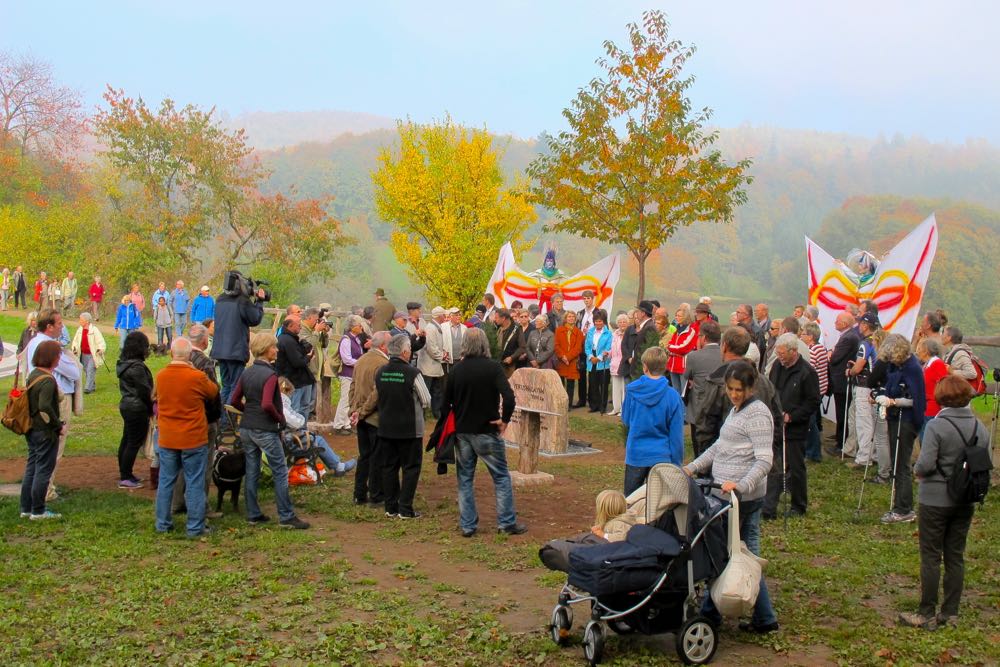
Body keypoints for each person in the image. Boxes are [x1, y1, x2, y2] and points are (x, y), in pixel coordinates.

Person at [684, 360, 779, 634]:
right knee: (741, 555)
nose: (734, 394)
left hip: (742, 501)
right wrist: (693, 466)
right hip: (726, 498)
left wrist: (740, 485)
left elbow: (764, 461)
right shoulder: (737, 411)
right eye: (730, 389)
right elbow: (719, 447)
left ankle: (711, 614)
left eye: (739, 389)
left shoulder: (758, 414)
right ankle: (764, 617)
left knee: (729, 554)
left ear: (750, 388)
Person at [899, 375, 992, 630]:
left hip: (935, 498)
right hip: (965, 498)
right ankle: (950, 612)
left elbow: (926, 464)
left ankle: (926, 611)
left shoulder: (938, 427)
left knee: (931, 556)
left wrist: (917, 470)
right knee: (955, 556)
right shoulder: (979, 428)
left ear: (942, 398)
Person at [444, 327, 527, 537]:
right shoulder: (493, 368)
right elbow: (508, 397)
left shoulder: (456, 370)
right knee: (500, 477)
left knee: (464, 479)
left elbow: (445, 402)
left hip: (463, 431)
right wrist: (504, 420)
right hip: (487, 430)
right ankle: (506, 523)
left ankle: (468, 526)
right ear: (485, 344)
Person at [229, 332, 310, 529]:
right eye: (274, 347)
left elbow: (233, 400)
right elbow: (267, 404)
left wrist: (248, 411)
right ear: (266, 350)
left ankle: (253, 513)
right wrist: (280, 419)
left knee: (252, 470)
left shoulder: (247, 372)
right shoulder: (271, 375)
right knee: (280, 471)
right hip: (265, 429)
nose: (277, 350)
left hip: (247, 428)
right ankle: (286, 516)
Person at [154, 338, 220, 537]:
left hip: (168, 437)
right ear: (190, 355)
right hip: (193, 437)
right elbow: (213, 392)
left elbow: (155, 396)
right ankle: (195, 527)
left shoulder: (161, 375)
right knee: (194, 482)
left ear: (171, 354)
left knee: (166, 481)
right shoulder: (196, 376)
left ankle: (163, 524)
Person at [25, 309, 81, 500]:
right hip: (56, 397)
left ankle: (37, 489)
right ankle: (46, 491)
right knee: (54, 447)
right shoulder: (49, 346)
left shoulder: (33, 342)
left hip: (38, 396)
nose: (62, 326)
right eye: (58, 323)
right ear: (49, 327)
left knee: (38, 451)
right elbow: (74, 373)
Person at [375, 334, 431, 520]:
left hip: (385, 427)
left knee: (389, 467)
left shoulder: (381, 371)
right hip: (409, 429)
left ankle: (390, 507)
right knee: (411, 468)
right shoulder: (412, 373)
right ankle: (405, 508)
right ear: (405, 351)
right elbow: (426, 400)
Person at [765, 333, 820, 518]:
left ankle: (798, 505)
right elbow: (771, 390)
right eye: (777, 353)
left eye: (782, 354)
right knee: (774, 465)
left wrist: (793, 416)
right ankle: (769, 505)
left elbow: (813, 402)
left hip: (795, 428)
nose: (780, 357)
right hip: (776, 424)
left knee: (795, 467)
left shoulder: (807, 372)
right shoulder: (776, 367)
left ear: (793, 351)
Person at [171, 324, 223, 518]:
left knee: (180, 464)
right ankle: (202, 507)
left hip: (177, 419)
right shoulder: (205, 362)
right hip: (202, 421)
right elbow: (213, 393)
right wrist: (215, 418)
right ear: (204, 341)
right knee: (203, 464)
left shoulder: (176, 359)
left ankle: (176, 503)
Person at [874, 333, 925, 524]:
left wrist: (893, 401)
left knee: (901, 464)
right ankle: (901, 505)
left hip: (907, 420)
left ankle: (904, 508)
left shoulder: (912, 368)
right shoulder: (898, 365)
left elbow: (914, 399)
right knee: (898, 462)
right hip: (896, 417)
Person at [621, 346, 685, 495]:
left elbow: (626, 420)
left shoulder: (632, 391)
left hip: (636, 454)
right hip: (661, 456)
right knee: (658, 505)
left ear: (644, 367)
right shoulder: (673, 396)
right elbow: (676, 435)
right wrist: (676, 463)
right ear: (665, 366)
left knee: (631, 502)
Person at [19, 340, 66, 520]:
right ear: (51, 358)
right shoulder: (47, 380)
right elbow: (45, 406)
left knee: (31, 468)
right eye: (58, 355)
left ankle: (26, 508)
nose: (59, 358)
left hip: (31, 429)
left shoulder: (33, 375)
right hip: (45, 432)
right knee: (43, 470)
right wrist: (57, 425)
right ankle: (38, 510)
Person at [278, 378, 356, 476]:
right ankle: (338, 467)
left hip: (283, 439)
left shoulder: (274, 402)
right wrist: (300, 418)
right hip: (288, 442)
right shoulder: (282, 405)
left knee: (310, 436)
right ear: (286, 391)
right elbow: (297, 422)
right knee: (318, 440)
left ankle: (337, 465)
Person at [349, 331, 392, 506]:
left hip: (360, 416)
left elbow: (353, 386)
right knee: (377, 456)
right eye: (390, 344)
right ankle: (376, 494)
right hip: (373, 417)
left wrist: (354, 410)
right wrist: (363, 411)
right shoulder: (383, 364)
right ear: (383, 346)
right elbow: (377, 393)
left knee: (364, 456)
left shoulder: (361, 360)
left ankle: (359, 493)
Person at [211, 280, 265, 405]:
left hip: (220, 350)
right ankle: (229, 421)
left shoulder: (220, 299)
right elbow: (255, 318)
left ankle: (223, 420)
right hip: (236, 351)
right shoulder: (242, 301)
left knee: (226, 387)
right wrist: (259, 302)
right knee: (235, 387)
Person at [115, 331, 153, 489]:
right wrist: (152, 407)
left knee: (127, 440)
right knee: (133, 442)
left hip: (127, 405)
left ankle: (126, 473)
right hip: (137, 407)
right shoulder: (136, 367)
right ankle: (125, 477)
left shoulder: (124, 363)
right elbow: (144, 390)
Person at [682, 319, 723, 457]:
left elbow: (687, 375)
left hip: (699, 405)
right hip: (720, 406)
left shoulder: (694, 356)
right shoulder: (724, 355)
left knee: (698, 443)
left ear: (703, 338)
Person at [846, 313, 879, 469]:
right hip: (874, 386)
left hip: (864, 386)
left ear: (865, 326)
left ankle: (863, 458)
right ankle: (873, 454)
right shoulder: (878, 341)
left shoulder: (865, 344)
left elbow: (859, 367)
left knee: (863, 422)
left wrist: (850, 371)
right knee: (873, 422)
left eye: (860, 323)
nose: (859, 326)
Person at [826, 310, 861, 457]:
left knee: (843, 412)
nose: (834, 323)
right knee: (842, 412)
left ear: (845, 323)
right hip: (841, 379)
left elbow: (834, 358)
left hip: (841, 380)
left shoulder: (848, 338)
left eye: (837, 321)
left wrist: (830, 354)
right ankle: (840, 440)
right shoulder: (850, 335)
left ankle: (841, 443)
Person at [800, 322, 828, 462]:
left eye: (803, 334)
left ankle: (813, 453)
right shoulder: (821, 348)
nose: (801, 336)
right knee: (813, 421)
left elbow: (807, 370)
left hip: (814, 391)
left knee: (810, 423)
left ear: (810, 336)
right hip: (821, 389)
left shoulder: (812, 351)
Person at [333, 315, 365, 435]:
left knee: (351, 400)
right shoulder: (346, 339)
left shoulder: (356, 339)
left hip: (354, 374)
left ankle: (346, 424)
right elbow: (346, 359)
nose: (361, 327)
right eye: (359, 325)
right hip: (347, 374)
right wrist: (361, 363)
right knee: (345, 399)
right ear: (352, 327)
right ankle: (339, 425)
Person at [665, 303, 701, 394]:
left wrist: (671, 348)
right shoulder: (677, 330)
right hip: (673, 365)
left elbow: (684, 348)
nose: (676, 317)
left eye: (679, 316)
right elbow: (670, 344)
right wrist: (673, 349)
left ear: (685, 317)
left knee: (683, 394)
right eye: (676, 315)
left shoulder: (691, 331)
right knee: (675, 392)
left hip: (683, 367)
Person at [418, 307, 447, 418]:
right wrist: (442, 357)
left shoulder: (436, 327)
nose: (445, 317)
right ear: (439, 316)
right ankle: (423, 414)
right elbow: (431, 348)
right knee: (426, 391)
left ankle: (436, 413)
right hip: (428, 366)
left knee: (436, 391)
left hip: (434, 366)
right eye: (444, 315)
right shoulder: (431, 328)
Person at [70, 312, 106, 394]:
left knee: (90, 370)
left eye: (81, 320)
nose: (80, 321)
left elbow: (101, 341)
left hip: (93, 355)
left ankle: (87, 388)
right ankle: (92, 386)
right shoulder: (79, 330)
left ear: (87, 321)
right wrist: (74, 348)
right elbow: (75, 341)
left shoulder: (94, 330)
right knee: (86, 370)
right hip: (83, 354)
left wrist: (100, 349)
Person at [584, 309, 612, 413]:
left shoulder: (608, 333)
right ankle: (594, 405)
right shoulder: (590, 332)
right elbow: (587, 346)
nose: (598, 323)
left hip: (603, 361)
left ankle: (602, 406)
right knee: (593, 384)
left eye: (600, 321)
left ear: (604, 322)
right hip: (592, 359)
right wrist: (591, 357)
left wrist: (599, 358)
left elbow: (608, 347)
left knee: (603, 384)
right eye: (596, 321)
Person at [553, 310, 584, 404]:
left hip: (572, 361)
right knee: (561, 383)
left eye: (573, 317)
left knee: (570, 384)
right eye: (569, 317)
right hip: (561, 361)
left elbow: (578, 348)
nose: (571, 318)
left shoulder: (579, 332)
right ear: (565, 319)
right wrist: (563, 357)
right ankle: (560, 403)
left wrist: (568, 358)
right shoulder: (558, 330)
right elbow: (556, 345)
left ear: (575, 319)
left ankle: (569, 404)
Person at [916, 337, 949, 422]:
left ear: (926, 351)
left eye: (920, 349)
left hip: (932, 409)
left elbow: (943, 387)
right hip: (925, 407)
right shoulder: (927, 364)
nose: (918, 352)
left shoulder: (937, 364)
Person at [628, 301, 660, 381]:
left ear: (643, 313)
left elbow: (647, 352)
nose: (636, 313)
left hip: (641, 372)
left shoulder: (649, 328)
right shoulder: (646, 326)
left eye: (638, 311)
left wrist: (640, 371)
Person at [608, 313, 631, 417]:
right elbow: (612, 349)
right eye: (620, 322)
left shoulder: (629, 334)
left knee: (623, 387)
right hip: (614, 364)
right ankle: (615, 408)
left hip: (624, 363)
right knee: (615, 387)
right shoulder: (614, 334)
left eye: (624, 322)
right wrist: (607, 353)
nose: (622, 324)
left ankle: (623, 409)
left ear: (628, 323)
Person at [495, 308, 525, 379]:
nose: (494, 319)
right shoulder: (496, 327)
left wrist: (512, 357)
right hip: (496, 364)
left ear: (503, 318)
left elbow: (522, 347)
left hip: (509, 367)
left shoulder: (517, 329)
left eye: (496, 318)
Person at [16, 311, 39, 381]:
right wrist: (18, 353)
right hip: (25, 359)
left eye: (36, 320)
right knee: (26, 379)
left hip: (35, 360)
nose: (34, 322)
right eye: (33, 320)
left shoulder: (40, 333)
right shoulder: (25, 331)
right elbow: (20, 345)